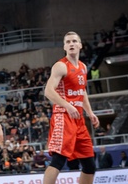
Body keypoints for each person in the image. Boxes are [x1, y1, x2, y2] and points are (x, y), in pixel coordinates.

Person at [43, 31, 99, 184]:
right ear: (64, 47)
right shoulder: (61, 66)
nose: (71, 44)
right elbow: (48, 91)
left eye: (74, 41)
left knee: (89, 164)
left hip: (78, 118)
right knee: (58, 160)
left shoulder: (83, 67)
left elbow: (82, 91)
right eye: (68, 42)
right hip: (63, 116)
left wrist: (90, 112)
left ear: (80, 45)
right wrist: (67, 105)